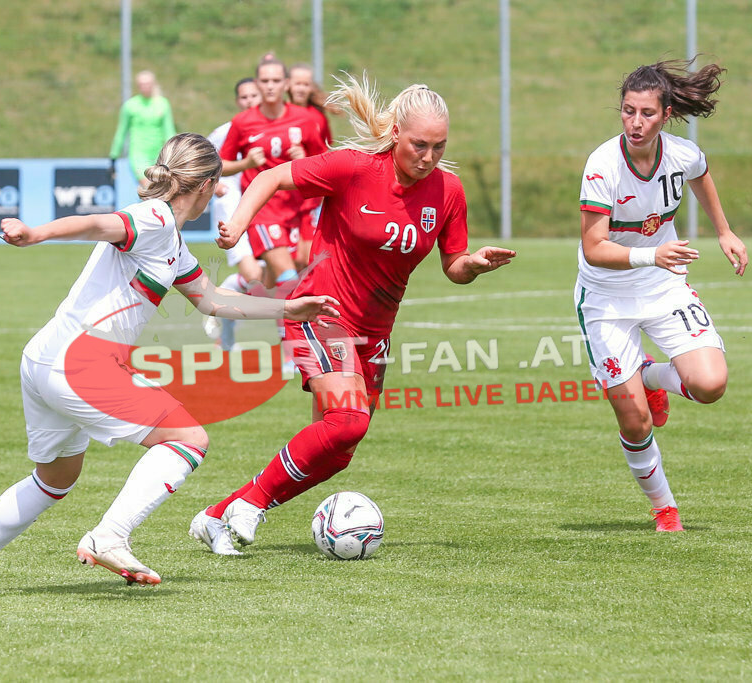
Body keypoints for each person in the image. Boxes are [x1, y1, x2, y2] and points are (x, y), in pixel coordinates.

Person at [0, 133, 338, 592]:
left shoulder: (171, 241)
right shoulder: (154, 218)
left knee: (55, 478)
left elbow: (212, 300)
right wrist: (35, 234)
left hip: (44, 358)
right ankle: (110, 536)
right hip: (80, 361)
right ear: (207, 185)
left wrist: (289, 308)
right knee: (188, 439)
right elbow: (96, 223)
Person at [188, 73, 516, 555]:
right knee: (348, 421)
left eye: (439, 147)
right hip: (320, 311)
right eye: (419, 145)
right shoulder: (355, 168)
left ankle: (217, 516)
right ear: (396, 135)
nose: (428, 158)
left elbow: (453, 266)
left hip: (374, 334)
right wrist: (238, 225)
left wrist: (474, 265)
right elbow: (272, 176)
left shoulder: (448, 192)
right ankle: (251, 504)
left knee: (339, 451)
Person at [575, 59, 749, 532]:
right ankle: (665, 509)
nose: (635, 122)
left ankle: (649, 376)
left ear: (666, 114)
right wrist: (653, 255)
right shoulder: (602, 165)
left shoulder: (681, 153)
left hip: (662, 285)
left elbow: (701, 173)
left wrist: (724, 231)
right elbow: (594, 249)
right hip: (607, 297)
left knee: (710, 385)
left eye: (647, 113)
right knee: (635, 423)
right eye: (628, 111)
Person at [218, 57, 327, 291]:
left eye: (276, 80)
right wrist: (245, 163)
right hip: (263, 210)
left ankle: (235, 289)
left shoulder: (305, 119)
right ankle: (289, 330)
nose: (270, 86)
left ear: (285, 84)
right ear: (257, 83)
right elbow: (221, 165)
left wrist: (304, 161)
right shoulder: (242, 122)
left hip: (299, 208)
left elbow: (325, 163)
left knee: (286, 276)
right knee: (288, 279)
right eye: (265, 80)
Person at [204, 77, 268, 351]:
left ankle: (229, 296)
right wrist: (214, 184)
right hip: (231, 209)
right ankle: (229, 291)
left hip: (266, 209)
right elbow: (201, 159)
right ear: (237, 101)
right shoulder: (227, 131)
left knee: (272, 276)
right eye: (244, 97)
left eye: (254, 95)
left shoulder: (272, 129)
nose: (250, 101)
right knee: (255, 275)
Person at [287, 62, 337, 270]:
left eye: (305, 84)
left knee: (304, 257)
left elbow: (325, 155)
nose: (300, 88)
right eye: (297, 83)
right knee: (284, 258)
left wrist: (305, 157)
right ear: (288, 85)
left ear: (311, 88)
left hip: (308, 197)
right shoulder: (277, 114)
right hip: (281, 198)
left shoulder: (317, 119)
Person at [109, 70, 177, 191]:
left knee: (161, 191)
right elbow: (121, 132)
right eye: (142, 84)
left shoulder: (162, 104)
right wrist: (113, 156)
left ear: (153, 84)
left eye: (147, 83)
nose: (145, 87)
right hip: (138, 154)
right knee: (149, 188)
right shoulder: (130, 106)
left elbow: (169, 131)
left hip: (159, 154)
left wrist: (174, 153)